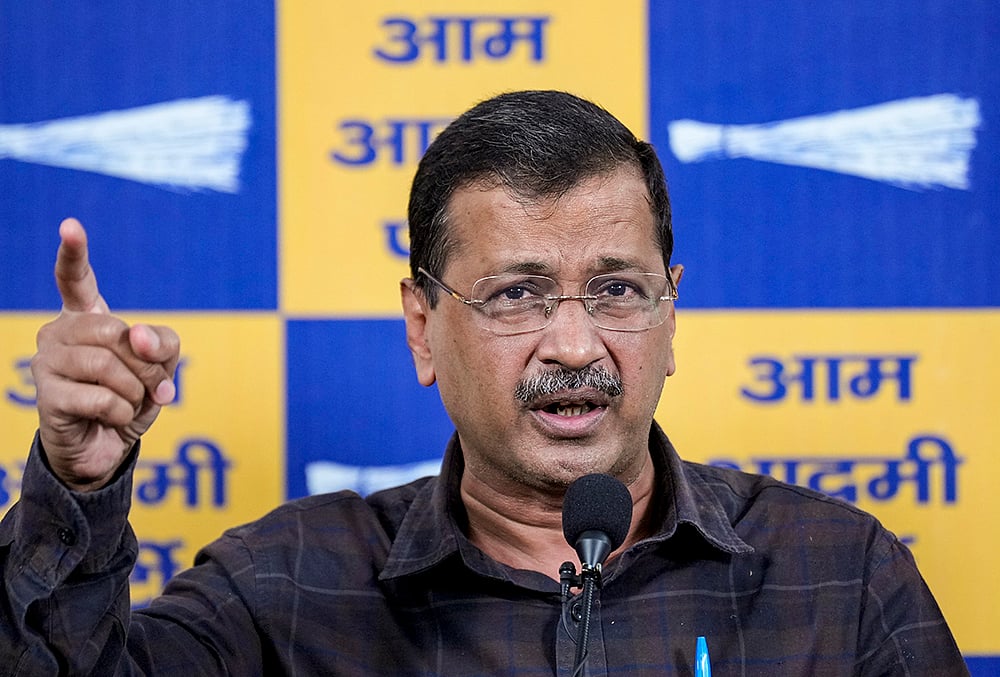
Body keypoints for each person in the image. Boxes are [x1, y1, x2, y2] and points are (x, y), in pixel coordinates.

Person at [0, 90, 967, 675]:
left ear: (672, 316)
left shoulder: (837, 575)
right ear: (423, 329)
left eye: (618, 289)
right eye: (518, 295)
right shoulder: (285, 586)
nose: (575, 344)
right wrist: (76, 485)